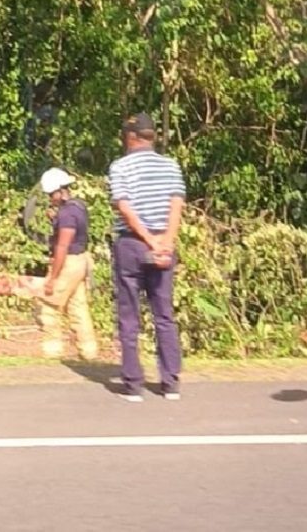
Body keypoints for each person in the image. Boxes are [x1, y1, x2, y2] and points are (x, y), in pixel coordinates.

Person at [107, 113, 186, 402]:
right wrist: (166, 241)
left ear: (130, 137)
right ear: (151, 136)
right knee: (163, 314)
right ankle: (170, 383)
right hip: (163, 242)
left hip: (132, 244)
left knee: (129, 315)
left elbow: (123, 205)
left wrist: (148, 239)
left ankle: (134, 384)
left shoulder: (121, 166)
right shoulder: (171, 165)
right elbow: (177, 204)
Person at [35, 168, 98, 360]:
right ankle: (88, 351)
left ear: (60, 192)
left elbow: (62, 246)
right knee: (78, 306)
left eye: (51, 195)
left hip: (68, 262)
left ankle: (52, 349)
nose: (50, 199)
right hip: (81, 260)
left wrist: (53, 278)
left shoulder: (66, 215)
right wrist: (56, 219)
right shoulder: (78, 206)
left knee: (48, 304)